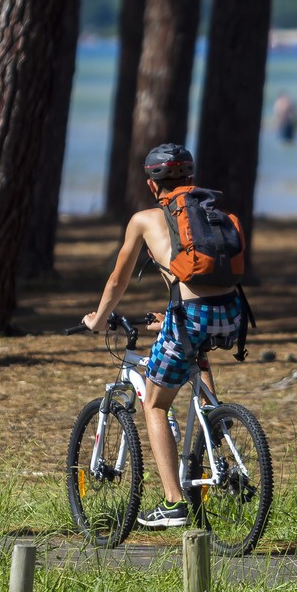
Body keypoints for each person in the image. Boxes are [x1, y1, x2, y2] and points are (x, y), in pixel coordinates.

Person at [83, 143, 247, 529]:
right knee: (192, 351)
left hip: (189, 316)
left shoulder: (144, 219)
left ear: (151, 184)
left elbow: (118, 280)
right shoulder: (212, 214)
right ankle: (213, 417)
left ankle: (174, 502)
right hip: (232, 313)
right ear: (190, 177)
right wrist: (169, 318)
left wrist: (97, 319)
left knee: (155, 404)